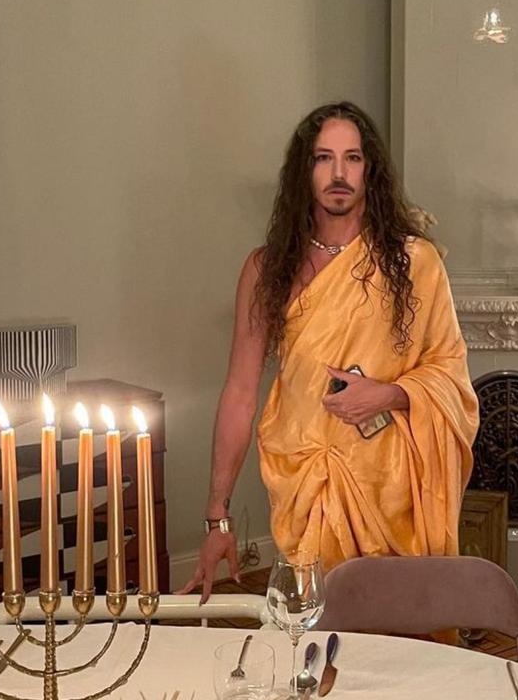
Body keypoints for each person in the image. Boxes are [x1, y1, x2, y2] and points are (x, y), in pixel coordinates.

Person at [181, 101, 479, 601]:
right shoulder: (266, 269)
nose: (339, 173)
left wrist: (389, 394)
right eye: (324, 158)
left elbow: (451, 373)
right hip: (303, 482)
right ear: (304, 171)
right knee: (312, 630)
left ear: (370, 170)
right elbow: (239, 393)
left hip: (390, 485)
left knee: (394, 632)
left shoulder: (414, 262)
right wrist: (217, 517)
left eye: (352, 158)